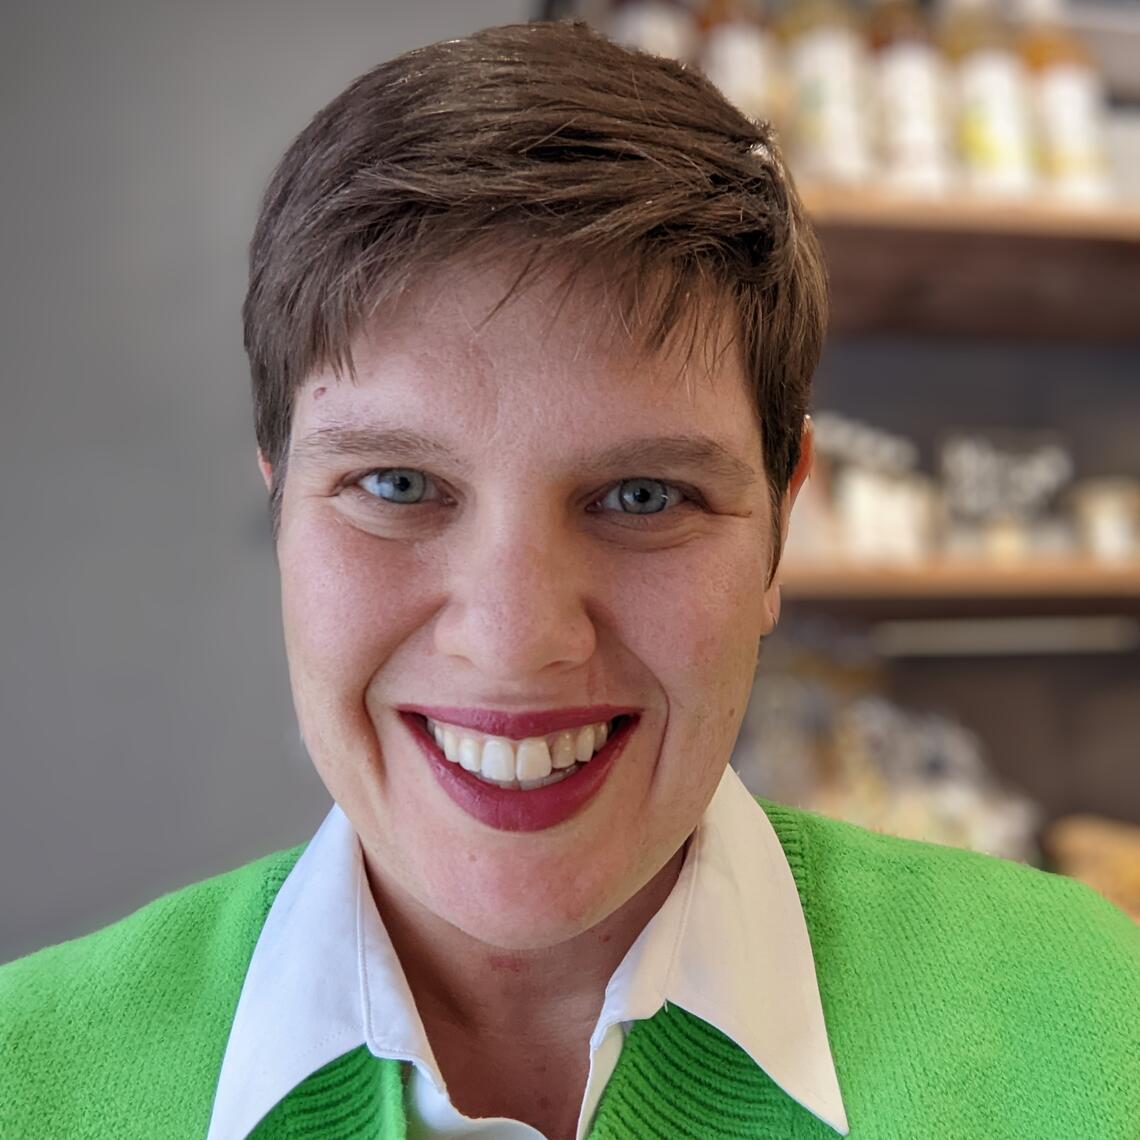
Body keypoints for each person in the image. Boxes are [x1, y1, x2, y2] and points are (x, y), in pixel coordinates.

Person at [1, 19, 1136, 1140]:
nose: (514, 638)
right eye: (397, 485)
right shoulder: (31, 1078)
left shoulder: (1097, 1023)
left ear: (781, 525)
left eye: (643, 496)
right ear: (281, 502)